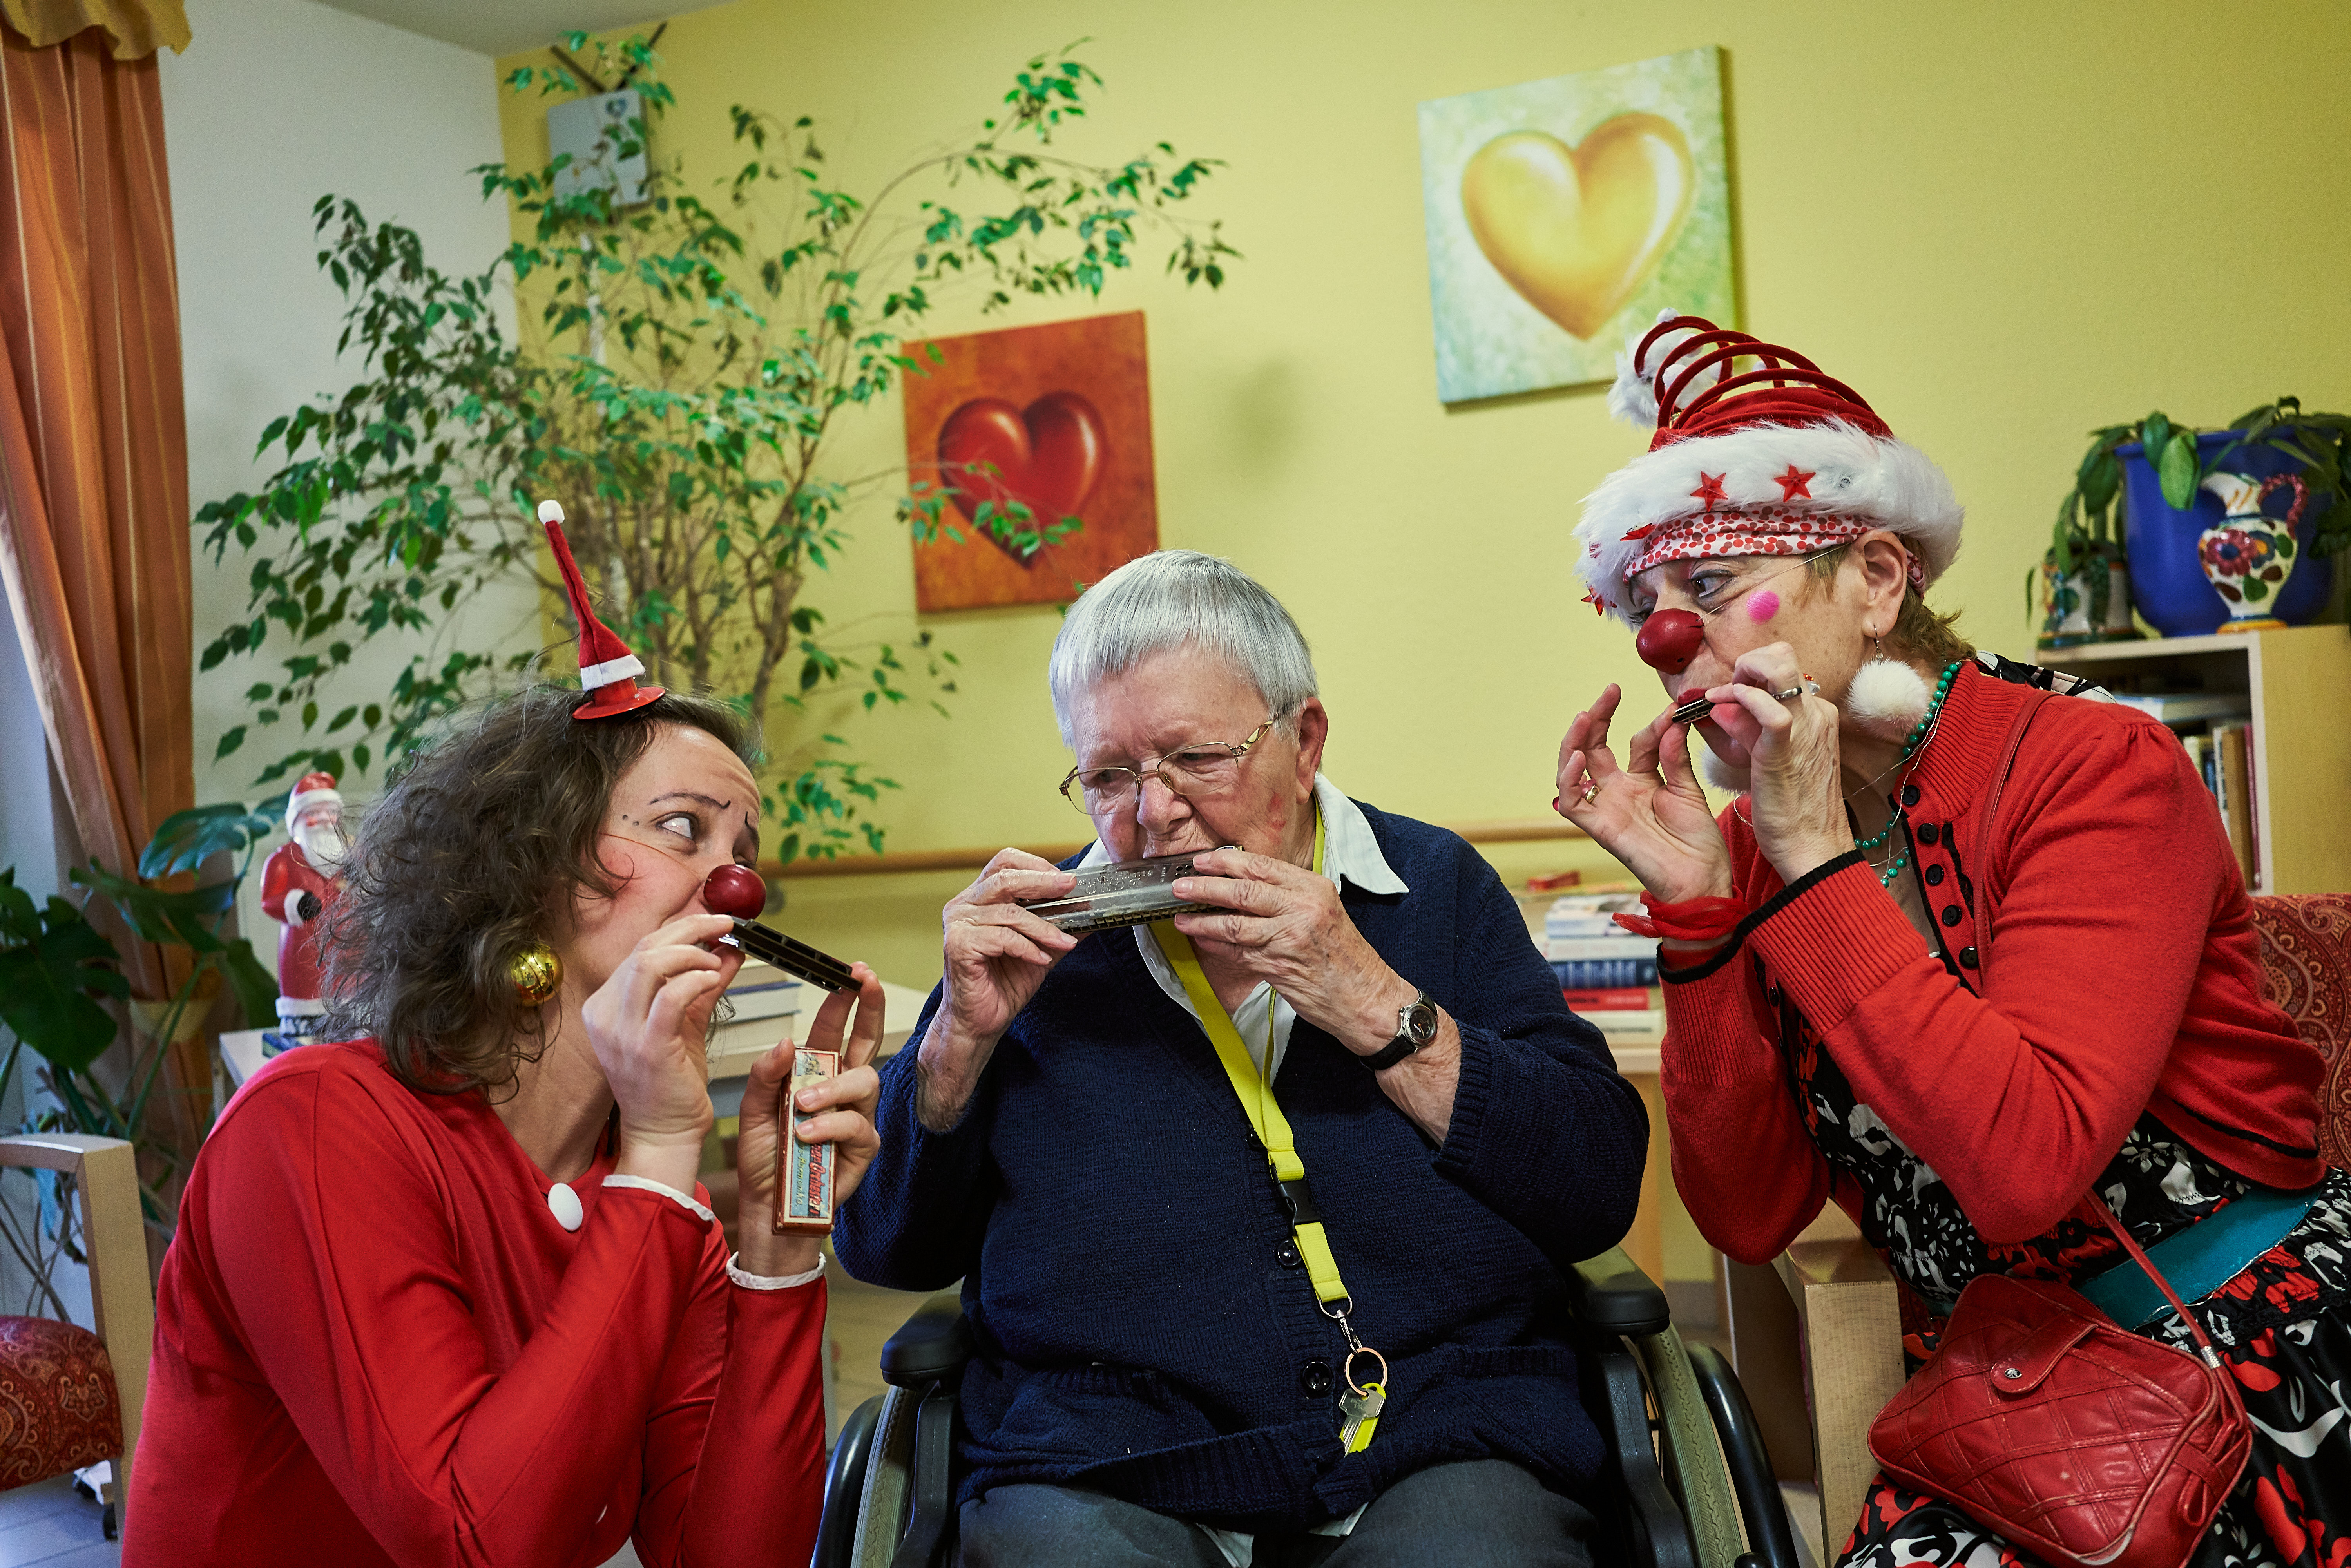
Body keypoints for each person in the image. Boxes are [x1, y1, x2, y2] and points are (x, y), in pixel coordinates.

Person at [1556, 313, 2349, 1568]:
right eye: (1640, 606)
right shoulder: (1768, 840)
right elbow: (1749, 1213)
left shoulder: (2095, 768)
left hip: (2240, 1360)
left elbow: (2025, 1161)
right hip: (2011, 1399)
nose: (1664, 640)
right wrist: (1702, 916)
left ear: (1876, 578)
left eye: (1707, 584)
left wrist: (1809, 865)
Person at [834, 549, 1650, 1567]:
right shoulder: (1035, 941)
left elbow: (1594, 1183)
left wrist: (1369, 996)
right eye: (1108, 776)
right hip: (1099, 1455)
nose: (1153, 814)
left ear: (1304, 740)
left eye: (1197, 759)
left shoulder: (1429, 886)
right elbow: (885, 1250)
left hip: (1444, 1430)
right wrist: (958, 1041)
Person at [124, 513, 889, 1568]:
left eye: (744, 849)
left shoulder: (651, 1200)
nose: (737, 885)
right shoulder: (310, 1127)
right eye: (683, 828)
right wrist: (667, 1155)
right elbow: (471, 1543)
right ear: (540, 862)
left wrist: (775, 1255)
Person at [259, 769, 350, 1044]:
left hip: (346, 950)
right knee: (307, 994)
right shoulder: (283, 859)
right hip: (304, 949)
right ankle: (303, 1032)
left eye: (329, 812)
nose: (323, 819)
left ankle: (345, 1029)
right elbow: (270, 900)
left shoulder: (348, 856)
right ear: (297, 820)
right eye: (314, 813)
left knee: (346, 996)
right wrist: (296, 904)